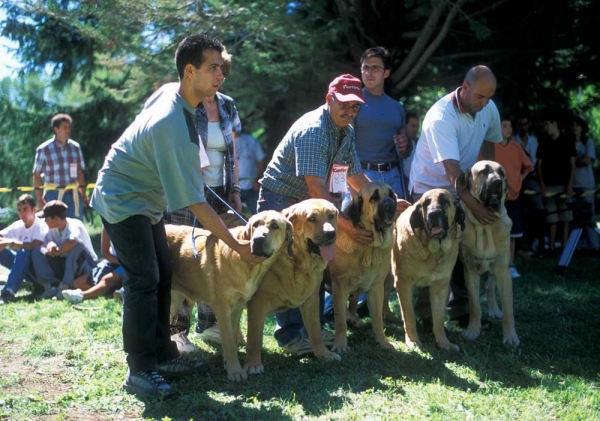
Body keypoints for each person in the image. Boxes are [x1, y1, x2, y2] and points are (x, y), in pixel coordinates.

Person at [90, 33, 265, 397]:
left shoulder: (179, 95)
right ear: (190, 71)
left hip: (144, 199)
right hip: (124, 199)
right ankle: (139, 369)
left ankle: (162, 353)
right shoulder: (172, 121)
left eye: (221, 67)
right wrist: (238, 244)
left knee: (165, 271)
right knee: (144, 279)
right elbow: (197, 204)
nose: (221, 74)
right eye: (212, 67)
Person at [258, 73, 410, 356]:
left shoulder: (346, 131)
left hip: (314, 203)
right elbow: (316, 189)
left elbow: (354, 176)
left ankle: (311, 332)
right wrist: (347, 228)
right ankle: (292, 335)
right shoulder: (314, 130)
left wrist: (383, 199)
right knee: (290, 265)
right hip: (284, 198)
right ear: (330, 99)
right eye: (345, 104)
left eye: (355, 107)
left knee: (314, 266)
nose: (350, 111)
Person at [409, 65, 503, 329]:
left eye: (489, 97)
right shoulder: (441, 117)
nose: (485, 103)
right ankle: (426, 317)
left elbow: (489, 142)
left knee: (465, 249)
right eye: (480, 97)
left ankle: (461, 313)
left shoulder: (488, 107)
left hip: (463, 185)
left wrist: (489, 184)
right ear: (464, 88)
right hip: (428, 188)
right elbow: (452, 174)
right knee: (432, 250)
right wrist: (475, 206)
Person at [354, 47, 410, 201]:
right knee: (358, 224)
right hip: (361, 175)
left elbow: (405, 152)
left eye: (375, 68)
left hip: (393, 176)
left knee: (396, 223)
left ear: (386, 73)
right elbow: (342, 147)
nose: (369, 72)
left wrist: (405, 145)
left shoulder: (397, 108)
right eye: (365, 67)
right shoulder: (352, 103)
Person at [482, 117, 533, 278]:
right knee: (494, 230)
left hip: (514, 196)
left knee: (512, 231)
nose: (508, 128)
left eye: (510, 125)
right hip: (496, 198)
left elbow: (529, 166)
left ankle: (510, 264)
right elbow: (480, 168)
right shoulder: (491, 147)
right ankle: (492, 265)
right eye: (504, 126)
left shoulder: (516, 147)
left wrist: (519, 180)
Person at [31, 200, 97, 300]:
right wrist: (50, 245)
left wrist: (57, 251)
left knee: (76, 247)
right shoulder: (52, 228)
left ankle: (65, 287)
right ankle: (52, 286)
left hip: (86, 266)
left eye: (46, 218)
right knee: (38, 251)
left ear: (56, 218)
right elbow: (46, 244)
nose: (45, 221)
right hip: (67, 266)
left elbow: (72, 241)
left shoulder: (74, 224)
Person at [33, 114, 89, 220]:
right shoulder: (44, 149)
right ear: (56, 129)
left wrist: (84, 195)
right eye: (64, 127)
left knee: (75, 228)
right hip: (53, 194)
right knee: (53, 229)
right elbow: (36, 175)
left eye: (69, 127)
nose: (68, 130)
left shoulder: (75, 147)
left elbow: (80, 172)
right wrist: (40, 200)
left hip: (73, 195)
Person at [537, 111, 576, 256]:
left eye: (547, 124)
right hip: (549, 186)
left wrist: (569, 185)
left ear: (555, 124)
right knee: (552, 217)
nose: (546, 127)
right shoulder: (543, 141)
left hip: (564, 185)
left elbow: (573, 165)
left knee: (566, 216)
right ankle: (552, 248)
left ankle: (565, 247)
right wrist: (542, 184)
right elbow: (539, 165)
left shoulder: (568, 140)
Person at [0, 194, 47, 304]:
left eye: (25, 209)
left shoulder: (41, 224)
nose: (22, 213)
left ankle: (9, 291)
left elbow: (35, 244)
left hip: (40, 271)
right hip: (24, 267)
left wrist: (10, 242)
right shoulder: (18, 225)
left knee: (23, 252)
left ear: (34, 210)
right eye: (19, 210)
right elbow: (2, 234)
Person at [61, 227, 127, 304]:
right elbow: (105, 253)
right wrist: (117, 261)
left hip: (129, 264)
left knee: (107, 279)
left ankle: (82, 295)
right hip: (113, 260)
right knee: (78, 283)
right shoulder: (107, 224)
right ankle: (108, 290)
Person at [512, 113, 544, 254]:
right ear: (517, 126)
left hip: (530, 177)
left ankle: (537, 243)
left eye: (525, 124)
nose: (523, 126)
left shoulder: (534, 141)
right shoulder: (512, 141)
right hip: (516, 177)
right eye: (520, 124)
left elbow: (534, 163)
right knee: (517, 211)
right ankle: (518, 246)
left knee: (537, 209)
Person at [571, 115, 599, 252]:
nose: (575, 128)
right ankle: (578, 245)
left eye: (578, 125)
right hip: (573, 184)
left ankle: (594, 245)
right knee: (575, 217)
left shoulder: (588, 142)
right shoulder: (569, 143)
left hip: (587, 183)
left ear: (582, 127)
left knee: (589, 216)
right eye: (573, 125)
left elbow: (587, 160)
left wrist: (573, 162)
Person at [236, 131, 267, 215]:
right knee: (233, 215)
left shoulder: (251, 140)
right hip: (233, 188)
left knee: (258, 213)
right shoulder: (225, 142)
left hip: (252, 187)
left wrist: (258, 179)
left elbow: (261, 159)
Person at [402, 111, 420, 191]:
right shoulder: (401, 145)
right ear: (405, 126)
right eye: (413, 126)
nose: (415, 129)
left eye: (417, 126)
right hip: (404, 184)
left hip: (418, 184)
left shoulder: (419, 143)